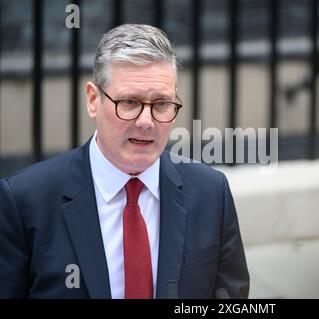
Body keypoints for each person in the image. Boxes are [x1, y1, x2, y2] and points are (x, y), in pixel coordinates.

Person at [0, 24, 249, 299]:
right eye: (130, 102)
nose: (146, 122)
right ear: (93, 100)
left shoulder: (211, 191)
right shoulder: (24, 202)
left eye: (161, 104)